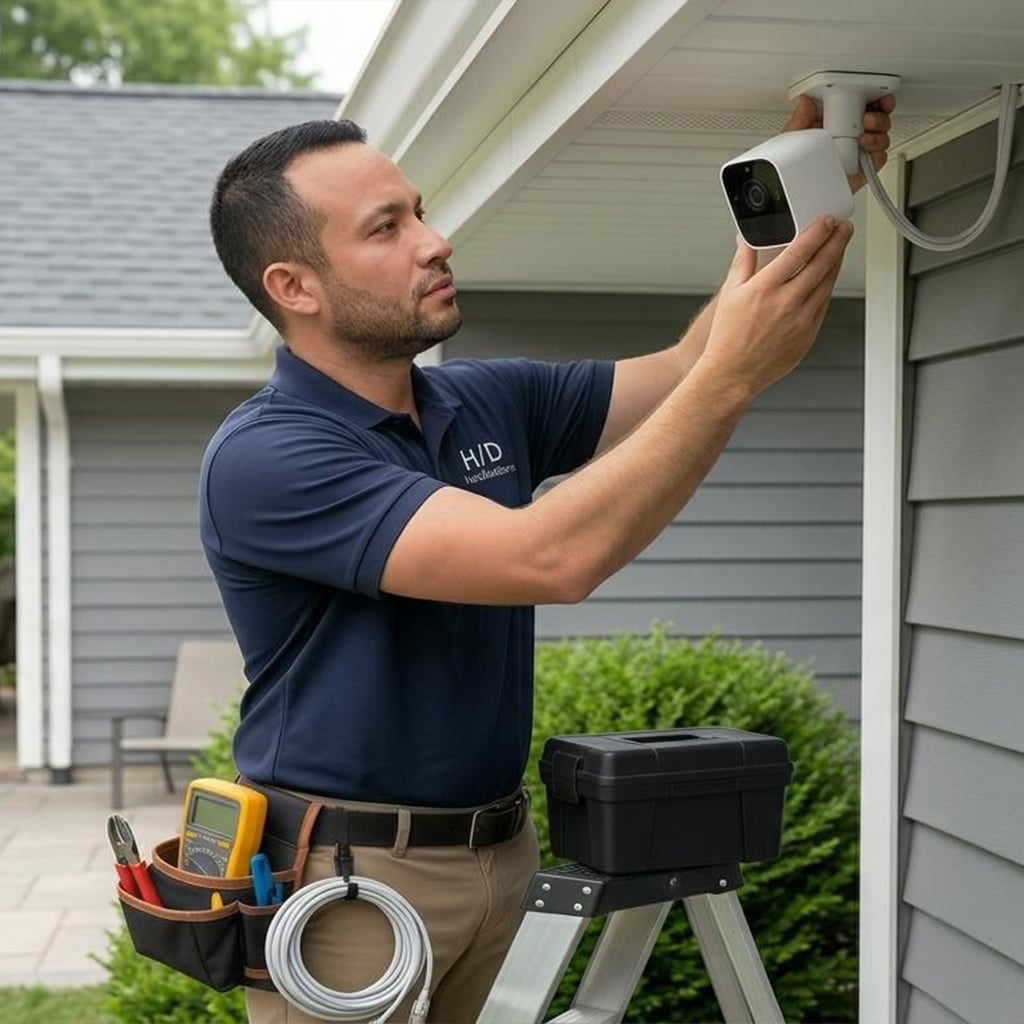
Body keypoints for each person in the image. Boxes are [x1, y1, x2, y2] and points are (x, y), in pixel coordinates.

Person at [201, 92, 893, 1023]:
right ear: (295, 287)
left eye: (420, 210)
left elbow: (687, 370)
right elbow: (549, 558)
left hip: (503, 848)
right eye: (386, 228)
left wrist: (794, 210)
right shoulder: (268, 457)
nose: (434, 240)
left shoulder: (482, 401)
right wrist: (733, 372)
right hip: (353, 880)